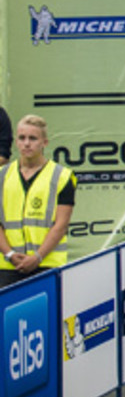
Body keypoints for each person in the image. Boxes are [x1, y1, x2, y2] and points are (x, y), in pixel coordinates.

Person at [0, 116, 76, 288]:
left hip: (47, 264)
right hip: (7, 265)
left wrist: (37, 257)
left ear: (45, 142)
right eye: (22, 138)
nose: (27, 143)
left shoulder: (62, 176)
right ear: (16, 142)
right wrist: (10, 254)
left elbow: (61, 225)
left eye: (33, 138)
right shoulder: (2, 175)